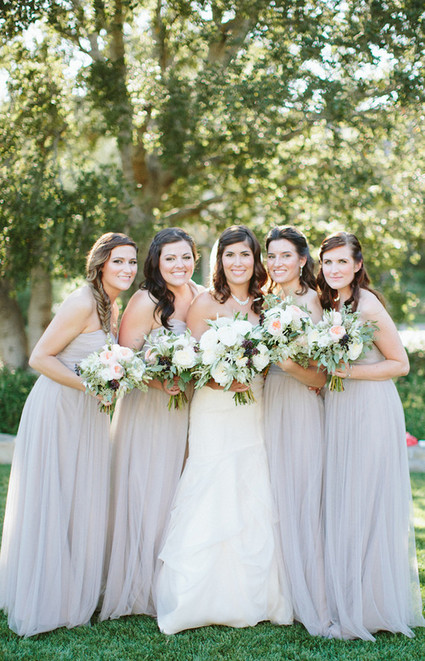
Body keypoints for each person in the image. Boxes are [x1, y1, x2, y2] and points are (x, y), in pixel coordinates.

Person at [155, 225, 293, 635]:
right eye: (230, 255)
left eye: (245, 254)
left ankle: (255, 595)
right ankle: (197, 598)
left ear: (255, 260)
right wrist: (224, 380)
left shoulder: (269, 304)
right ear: (220, 261)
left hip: (255, 408)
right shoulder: (205, 303)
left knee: (253, 490)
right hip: (214, 410)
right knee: (210, 488)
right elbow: (194, 364)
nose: (237, 262)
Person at [0, 232, 138, 637]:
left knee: (80, 496)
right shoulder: (82, 302)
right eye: (118, 261)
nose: (127, 269)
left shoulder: (112, 304)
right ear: (100, 264)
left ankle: (70, 587)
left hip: (88, 412)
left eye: (132, 262)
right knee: (55, 495)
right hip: (59, 408)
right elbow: (39, 357)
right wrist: (92, 387)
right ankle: (44, 597)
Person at [317, 230, 425, 641]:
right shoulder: (332, 305)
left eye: (342, 261)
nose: (334, 269)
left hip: (370, 407)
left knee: (365, 501)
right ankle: (348, 598)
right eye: (328, 262)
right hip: (341, 407)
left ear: (358, 265)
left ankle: (366, 607)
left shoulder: (367, 305)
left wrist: (349, 372)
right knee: (347, 500)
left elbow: (400, 364)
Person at [100, 227, 203, 621]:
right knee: (148, 491)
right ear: (157, 263)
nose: (179, 264)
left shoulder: (201, 295)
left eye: (185, 256)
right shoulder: (145, 300)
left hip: (189, 409)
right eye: (170, 258)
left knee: (178, 492)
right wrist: (163, 382)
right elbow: (125, 362)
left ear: (195, 258)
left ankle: (172, 580)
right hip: (149, 409)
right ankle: (138, 583)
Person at [264, 226, 329, 636]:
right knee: (272, 491)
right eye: (271, 255)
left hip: (301, 402)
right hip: (267, 400)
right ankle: (278, 591)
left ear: (302, 260)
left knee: (303, 490)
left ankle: (312, 592)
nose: (277, 263)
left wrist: (289, 366)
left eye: (285, 255)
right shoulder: (266, 299)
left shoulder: (313, 302)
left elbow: (321, 376)